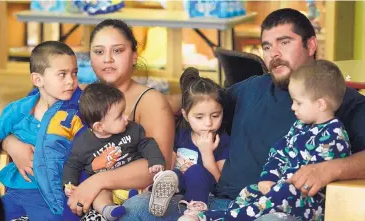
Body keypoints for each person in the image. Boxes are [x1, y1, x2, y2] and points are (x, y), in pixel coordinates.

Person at [118, 8, 365, 221]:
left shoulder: (338, 98)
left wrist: (330, 169)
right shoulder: (253, 87)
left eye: (284, 42)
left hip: (277, 210)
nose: (274, 53)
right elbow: (196, 103)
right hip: (216, 202)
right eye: (267, 46)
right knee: (135, 208)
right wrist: (138, 107)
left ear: (311, 45)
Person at [1, 19, 175, 221]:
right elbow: (28, 120)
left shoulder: (151, 101)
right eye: (99, 52)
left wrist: (97, 182)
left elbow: (157, 166)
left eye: (117, 51)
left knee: (138, 208)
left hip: (125, 197)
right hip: (67, 192)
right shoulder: (74, 92)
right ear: (89, 58)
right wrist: (11, 143)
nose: (107, 59)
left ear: (134, 56)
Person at [199, 60, 350, 221]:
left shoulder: (335, 135)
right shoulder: (300, 126)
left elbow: (311, 177)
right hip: (282, 190)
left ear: (320, 105)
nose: (293, 107)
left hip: (307, 202)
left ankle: (228, 218)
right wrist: (268, 178)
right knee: (249, 191)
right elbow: (279, 152)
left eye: (298, 103)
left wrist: (281, 186)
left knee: (281, 194)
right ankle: (235, 213)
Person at [0, 41, 85, 220]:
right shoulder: (18, 110)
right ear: (38, 79)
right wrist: (10, 143)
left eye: (74, 73)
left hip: (55, 196)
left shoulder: (80, 111)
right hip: (16, 190)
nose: (71, 81)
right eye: (62, 74)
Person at [63, 82, 166, 221]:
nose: (126, 117)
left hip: (129, 182)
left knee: (147, 185)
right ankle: (108, 210)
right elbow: (72, 164)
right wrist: (69, 184)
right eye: (119, 116)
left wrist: (155, 160)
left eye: (124, 111)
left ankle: (155, 194)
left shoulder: (132, 130)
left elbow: (147, 143)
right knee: (100, 194)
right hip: (107, 188)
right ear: (99, 126)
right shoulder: (83, 143)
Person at [149, 68, 230, 220]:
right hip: (181, 185)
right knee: (172, 175)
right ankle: (158, 193)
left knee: (195, 171)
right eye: (199, 117)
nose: (208, 123)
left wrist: (206, 153)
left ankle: (195, 211)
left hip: (207, 189)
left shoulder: (222, 140)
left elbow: (220, 182)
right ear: (186, 115)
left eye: (215, 115)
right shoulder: (181, 134)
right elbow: (171, 161)